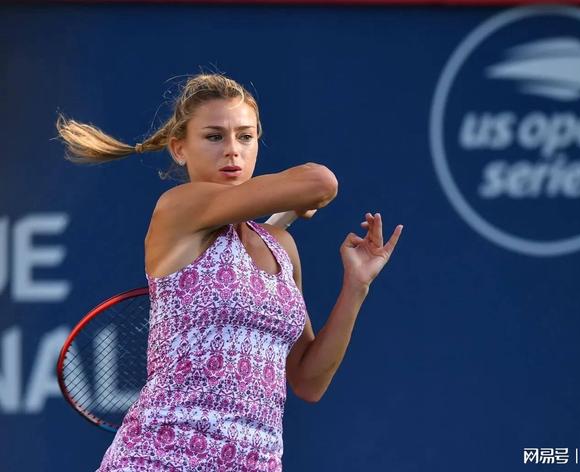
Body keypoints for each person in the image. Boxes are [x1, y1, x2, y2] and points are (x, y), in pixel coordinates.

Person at [56, 73, 403, 471]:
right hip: (159, 460)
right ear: (179, 148)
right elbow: (321, 181)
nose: (233, 151)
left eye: (245, 137)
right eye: (214, 137)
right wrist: (295, 195)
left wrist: (356, 286)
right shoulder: (178, 210)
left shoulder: (281, 245)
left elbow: (309, 381)